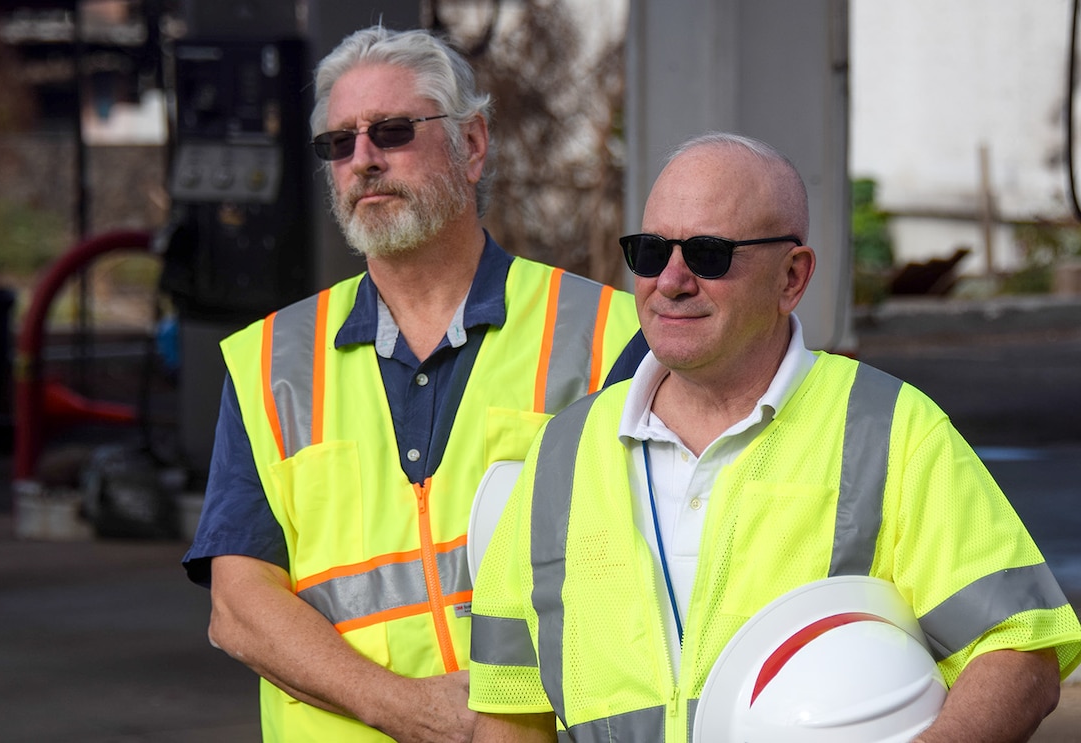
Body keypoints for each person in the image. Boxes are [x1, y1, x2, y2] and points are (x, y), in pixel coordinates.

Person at [468, 132, 1081, 742]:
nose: (672, 280)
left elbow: (1019, 647)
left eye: (708, 254)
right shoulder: (561, 454)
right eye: (651, 251)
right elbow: (510, 706)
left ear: (792, 277)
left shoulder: (891, 430)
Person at [182, 25, 647, 742]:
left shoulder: (607, 335)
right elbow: (239, 605)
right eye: (339, 143)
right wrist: (404, 706)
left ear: (472, 144)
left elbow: (648, 574)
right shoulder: (271, 361)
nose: (362, 159)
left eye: (391, 131)